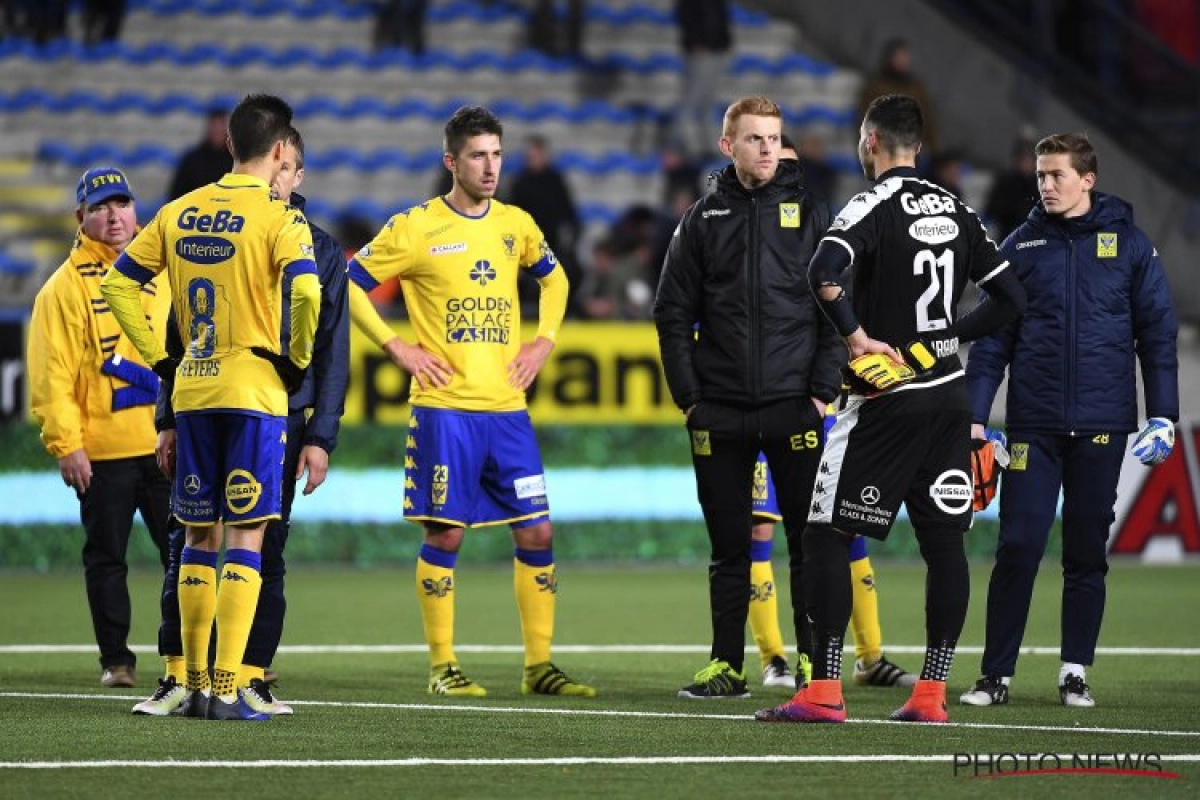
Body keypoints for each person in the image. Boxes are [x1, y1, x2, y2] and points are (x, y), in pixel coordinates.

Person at [755, 93, 1026, 724]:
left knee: (825, 533)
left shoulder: (870, 204)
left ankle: (822, 689)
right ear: (920, 147)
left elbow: (823, 273)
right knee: (944, 545)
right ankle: (930, 694)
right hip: (947, 399)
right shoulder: (957, 209)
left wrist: (855, 337)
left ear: (869, 142)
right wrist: (947, 340)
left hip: (882, 399)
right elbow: (1011, 297)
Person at [347, 105, 596, 699]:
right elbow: (350, 283)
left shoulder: (516, 224)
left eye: (497, 155)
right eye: (478, 156)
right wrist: (396, 347)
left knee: (536, 533)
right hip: (443, 410)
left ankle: (539, 666)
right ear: (451, 162)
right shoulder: (415, 228)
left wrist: (543, 343)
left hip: (507, 410)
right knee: (447, 535)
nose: (490, 167)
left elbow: (556, 280)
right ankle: (442, 666)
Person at [100, 93, 321, 721]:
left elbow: (119, 283)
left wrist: (162, 361)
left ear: (228, 144)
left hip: (192, 389)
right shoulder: (281, 217)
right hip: (254, 392)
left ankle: (192, 683)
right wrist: (296, 360)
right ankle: (227, 686)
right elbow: (306, 290)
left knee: (197, 532)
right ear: (281, 150)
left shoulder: (179, 210)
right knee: (247, 534)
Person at [960, 132, 1178, 709]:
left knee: (1085, 553)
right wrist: (975, 419)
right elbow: (989, 344)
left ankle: (1074, 671)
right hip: (1033, 426)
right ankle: (995, 676)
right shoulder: (1020, 247)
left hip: (1104, 424)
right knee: (1020, 546)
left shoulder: (1131, 247)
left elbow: (1157, 335)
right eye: (1040, 175)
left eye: (1056, 175)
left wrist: (1164, 415)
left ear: (1088, 179)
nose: (1046, 185)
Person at [654, 95, 844, 699]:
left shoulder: (814, 215)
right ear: (726, 145)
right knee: (729, 547)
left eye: (773, 137)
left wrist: (819, 393)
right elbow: (671, 312)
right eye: (753, 138)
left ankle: (815, 666)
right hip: (721, 409)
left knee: (808, 545)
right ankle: (725, 666)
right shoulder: (700, 219)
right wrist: (690, 398)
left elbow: (840, 308)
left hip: (795, 406)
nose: (765, 147)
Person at [28, 166, 172, 689]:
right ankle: (118, 661)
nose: (114, 216)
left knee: (183, 553)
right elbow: (52, 378)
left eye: (122, 204)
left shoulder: (163, 274)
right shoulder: (60, 291)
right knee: (107, 559)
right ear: (80, 217)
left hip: (164, 443)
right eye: (100, 207)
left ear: (136, 210)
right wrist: (67, 445)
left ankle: (183, 656)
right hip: (103, 451)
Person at [509, 135, 582, 313]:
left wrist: (569, 245)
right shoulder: (519, 182)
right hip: (524, 248)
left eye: (535, 155)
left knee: (571, 272)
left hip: (553, 248)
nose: (532, 159)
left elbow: (569, 216)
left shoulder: (555, 181)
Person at [857, 39, 939, 158]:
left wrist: (935, 149)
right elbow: (866, 119)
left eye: (905, 57)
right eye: (899, 57)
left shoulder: (917, 88)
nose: (903, 61)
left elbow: (929, 119)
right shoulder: (876, 88)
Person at [673, 0, 732, 159]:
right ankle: (687, 144)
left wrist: (725, 42)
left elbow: (721, 17)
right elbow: (686, 18)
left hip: (717, 50)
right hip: (700, 51)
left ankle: (709, 145)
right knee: (691, 101)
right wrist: (694, 43)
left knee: (709, 102)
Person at [167, 108, 233, 201]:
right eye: (214, 127)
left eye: (220, 127)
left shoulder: (235, 161)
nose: (217, 131)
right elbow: (176, 196)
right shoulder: (192, 160)